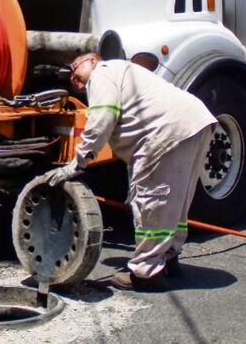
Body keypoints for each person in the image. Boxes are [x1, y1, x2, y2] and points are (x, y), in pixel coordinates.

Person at [46, 52, 217, 291]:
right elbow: (130, 135)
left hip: (166, 130)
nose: (72, 76)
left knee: (151, 202)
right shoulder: (125, 74)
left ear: (93, 61)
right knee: (175, 201)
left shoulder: (103, 73)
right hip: (194, 122)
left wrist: (79, 161)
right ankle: (168, 257)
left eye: (75, 68)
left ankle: (146, 273)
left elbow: (103, 116)